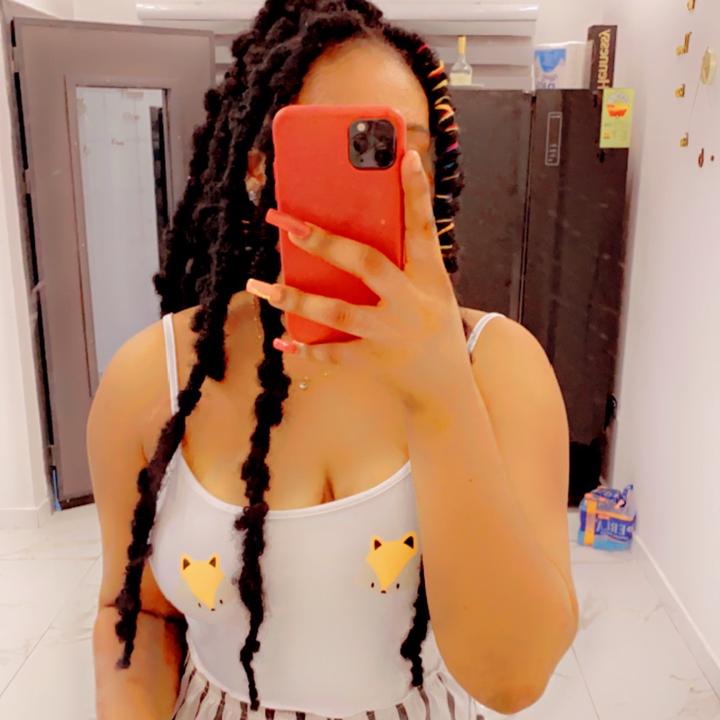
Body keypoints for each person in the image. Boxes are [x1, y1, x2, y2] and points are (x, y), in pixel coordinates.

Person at [88, 2, 579, 719]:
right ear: (259, 167)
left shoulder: (499, 367)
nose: (384, 174)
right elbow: (135, 612)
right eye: (336, 146)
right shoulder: (155, 377)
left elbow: (513, 679)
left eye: (400, 148)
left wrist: (441, 393)